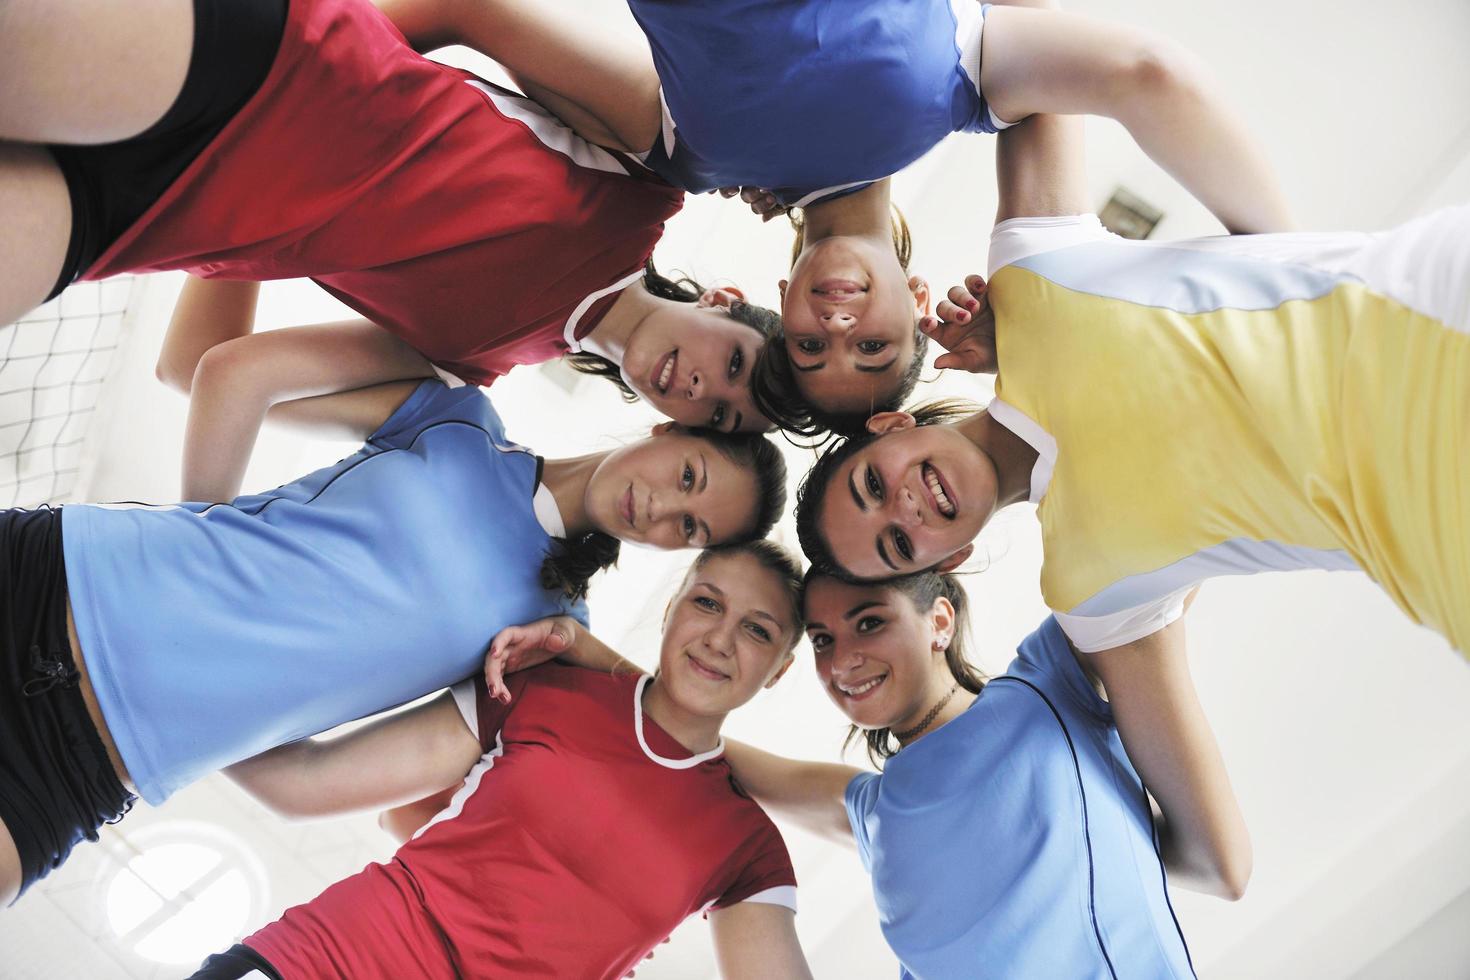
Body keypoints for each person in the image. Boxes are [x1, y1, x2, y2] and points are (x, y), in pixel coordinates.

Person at [0, 289, 788, 904]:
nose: (661, 513)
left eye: (690, 530)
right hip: (53, 576)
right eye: (688, 479)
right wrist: (203, 537)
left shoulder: (541, 646)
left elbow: (307, 787)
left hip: (75, 771)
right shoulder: (455, 416)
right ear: (666, 433)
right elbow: (233, 373)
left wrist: (199, 710)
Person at [795, 110, 1470, 656]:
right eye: (897, 545)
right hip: (1441, 553)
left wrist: (1283, 266)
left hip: (1440, 311)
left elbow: (1105, 62)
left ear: (890, 426)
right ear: (952, 558)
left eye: (873, 486)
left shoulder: (1033, 279)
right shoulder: (1091, 594)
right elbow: (1199, 818)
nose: (904, 509)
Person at [457, 0, 1295, 434]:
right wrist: (1291, 269)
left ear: (780, 299)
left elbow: (479, 19)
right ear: (919, 296)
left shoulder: (684, 154)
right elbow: (1152, 76)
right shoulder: (968, 85)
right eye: (872, 344)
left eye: (811, 346)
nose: (838, 321)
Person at [0, 0, 777, 431]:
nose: (702, 386)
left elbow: (202, 366)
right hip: (260, 69)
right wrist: (326, 89)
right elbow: (467, 7)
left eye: (718, 417)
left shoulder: (472, 369)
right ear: (723, 303)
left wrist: (253, 242)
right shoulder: (647, 185)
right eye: (734, 366)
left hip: (145, 222)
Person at [485, 566, 1247, 977]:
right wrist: (592, 657)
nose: (842, 659)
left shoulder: (1042, 684)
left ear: (940, 618)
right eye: (820, 639)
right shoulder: (873, 808)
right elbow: (707, 748)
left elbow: (1143, 548)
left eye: (870, 621)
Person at [190, 542, 813, 980]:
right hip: (325, 961)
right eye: (707, 603)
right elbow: (303, 784)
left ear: (780, 670)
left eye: (758, 631)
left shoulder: (746, 849)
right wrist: (164, 695)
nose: (719, 639)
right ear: (674, 605)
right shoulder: (543, 687)